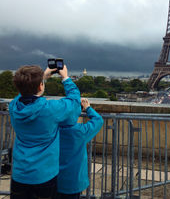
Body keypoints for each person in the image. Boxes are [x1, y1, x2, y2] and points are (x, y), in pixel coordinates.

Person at [9, 64, 81, 199]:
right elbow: (74, 102)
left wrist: (41, 78)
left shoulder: (14, 107)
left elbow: (23, 94)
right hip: (44, 174)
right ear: (41, 86)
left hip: (20, 173)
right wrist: (65, 78)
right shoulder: (50, 109)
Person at [57, 98, 104, 199]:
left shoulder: (52, 129)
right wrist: (88, 108)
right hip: (74, 181)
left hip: (53, 179)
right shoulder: (79, 132)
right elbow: (98, 120)